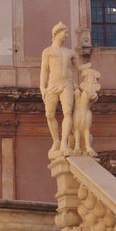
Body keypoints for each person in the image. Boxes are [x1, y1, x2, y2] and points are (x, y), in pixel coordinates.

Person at [39, 22, 79, 155]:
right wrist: (42, 87)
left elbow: (78, 68)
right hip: (52, 85)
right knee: (49, 115)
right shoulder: (48, 51)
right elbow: (44, 70)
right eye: (65, 33)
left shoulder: (70, 53)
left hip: (67, 84)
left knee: (68, 113)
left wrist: (89, 70)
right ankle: (56, 141)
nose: (66, 35)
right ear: (57, 33)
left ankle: (64, 144)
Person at [70, 63, 101, 155]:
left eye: (92, 78)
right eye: (89, 78)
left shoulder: (91, 90)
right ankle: (77, 146)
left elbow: (93, 97)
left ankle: (87, 146)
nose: (91, 80)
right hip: (79, 111)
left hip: (86, 112)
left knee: (86, 129)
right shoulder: (79, 89)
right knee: (76, 129)